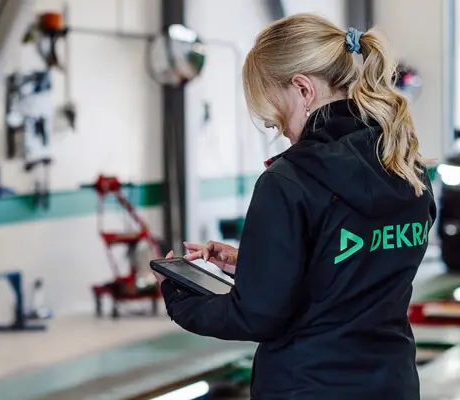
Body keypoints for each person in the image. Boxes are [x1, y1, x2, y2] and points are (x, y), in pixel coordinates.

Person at [157, 14, 434, 399]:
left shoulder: (288, 181)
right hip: (392, 384)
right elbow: (353, 267)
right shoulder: (406, 166)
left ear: (303, 89)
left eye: (276, 119)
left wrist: (179, 299)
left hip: (306, 385)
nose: (281, 133)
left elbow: (258, 316)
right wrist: (256, 264)